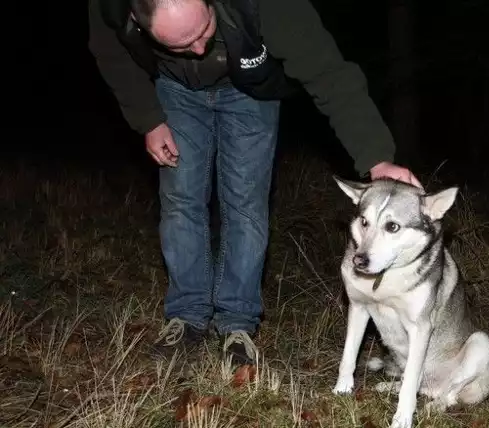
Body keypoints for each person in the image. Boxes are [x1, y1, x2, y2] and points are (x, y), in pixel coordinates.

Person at [87, 0, 422, 367]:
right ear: (136, 18)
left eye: (204, 30)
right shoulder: (113, 7)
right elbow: (112, 55)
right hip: (174, 88)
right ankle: (186, 317)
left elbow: (328, 73)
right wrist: (148, 118)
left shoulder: (269, 6)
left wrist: (376, 157)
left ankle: (237, 323)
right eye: (183, 44)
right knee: (181, 198)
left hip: (248, 88)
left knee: (245, 203)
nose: (199, 49)